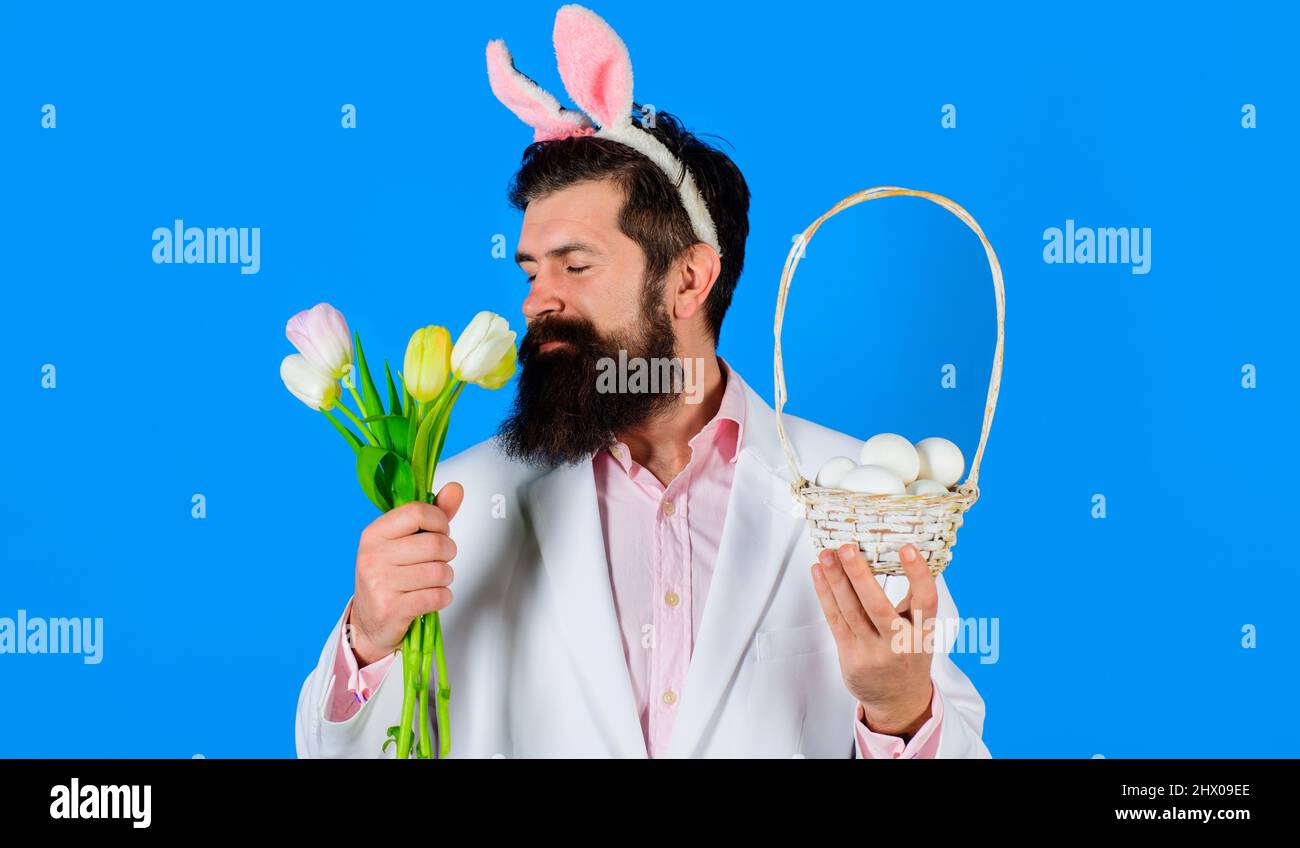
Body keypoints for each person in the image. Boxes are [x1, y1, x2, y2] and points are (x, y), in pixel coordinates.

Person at [294, 5, 990, 759]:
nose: (537, 301)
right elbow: (339, 753)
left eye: (576, 265)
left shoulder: (859, 498)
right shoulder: (458, 507)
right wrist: (367, 639)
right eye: (531, 269)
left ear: (688, 280)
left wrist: (898, 710)